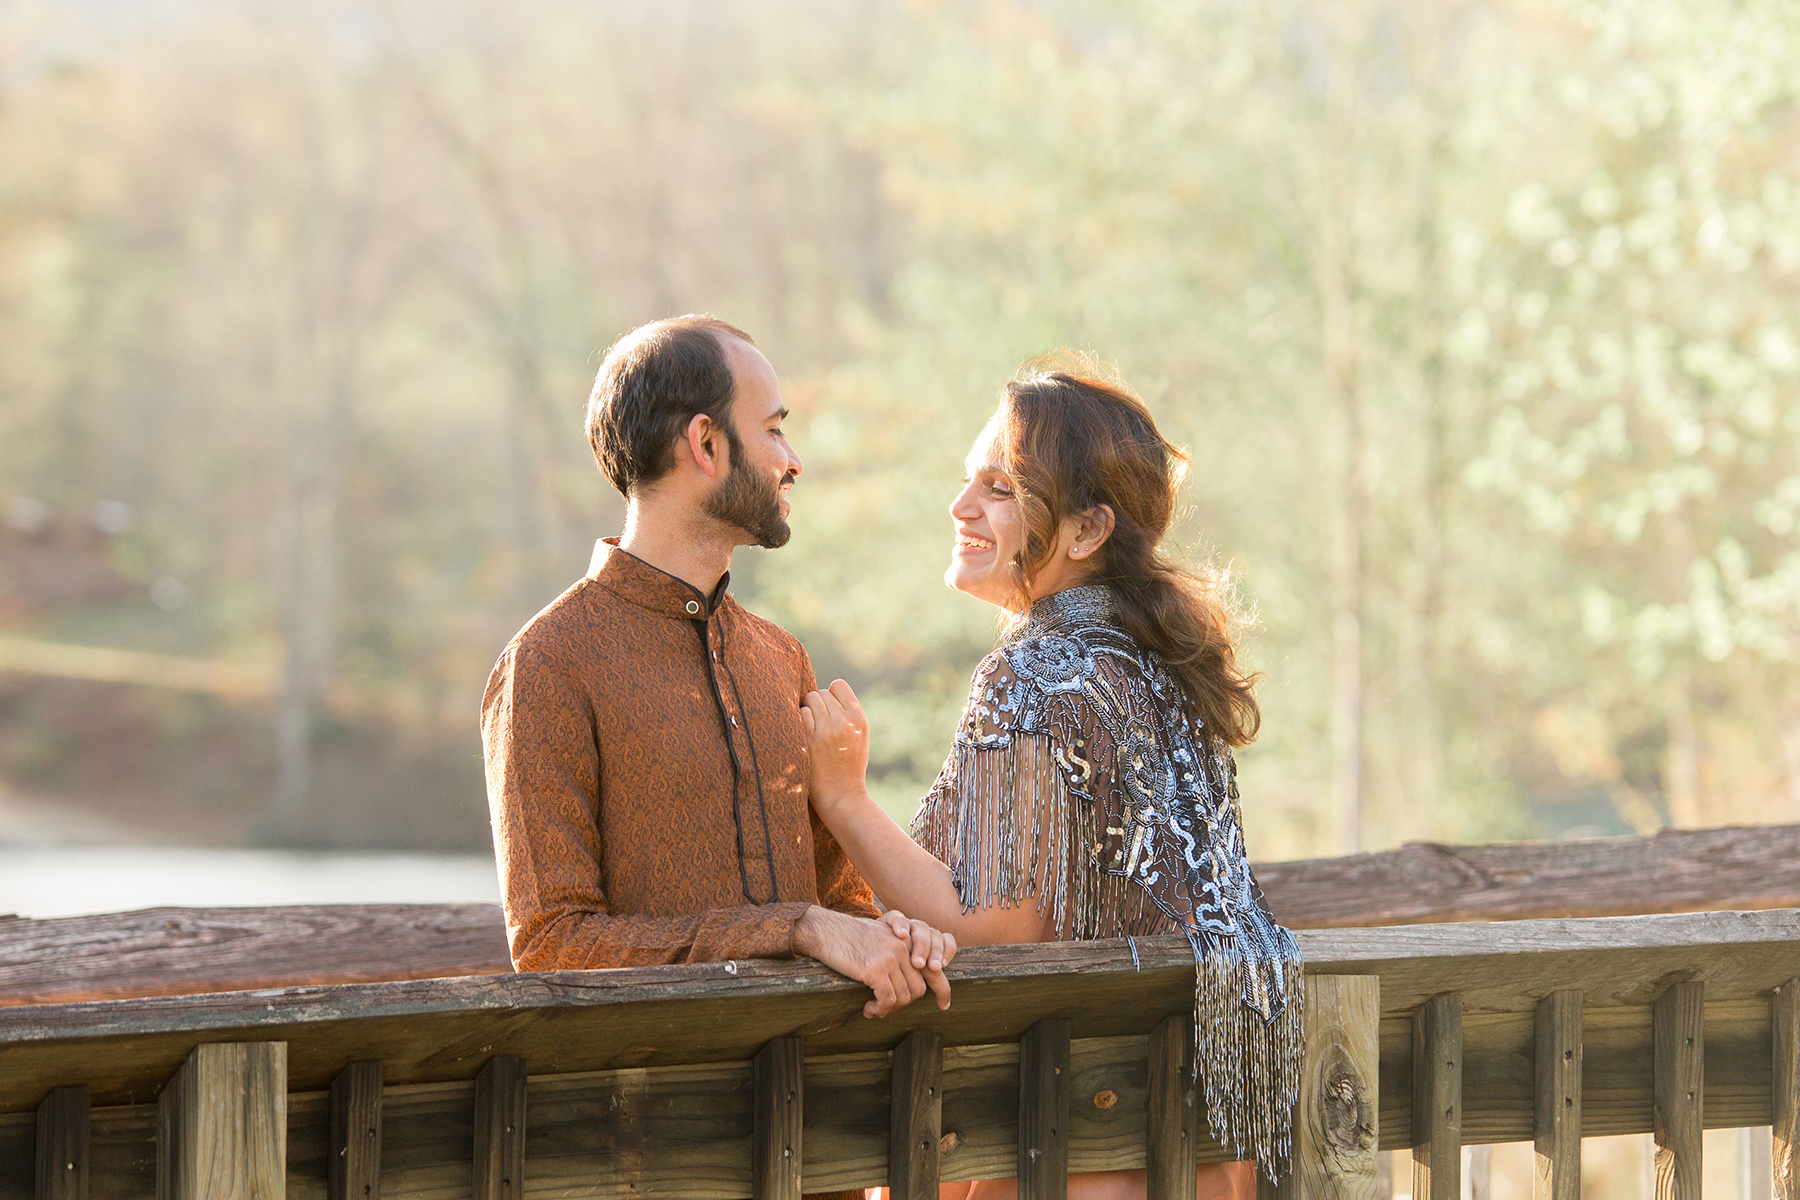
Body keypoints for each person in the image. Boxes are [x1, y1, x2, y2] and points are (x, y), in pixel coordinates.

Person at [803, 355, 1303, 1200]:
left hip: (1077, 1149)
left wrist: (842, 796)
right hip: (1207, 1150)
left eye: (998, 487)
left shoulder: (1034, 675)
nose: (960, 507)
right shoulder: (1161, 673)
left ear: (1084, 531)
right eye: (968, 481)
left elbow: (998, 928)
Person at [481, 315, 958, 1051]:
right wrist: (794, 930)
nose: (791, 460)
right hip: (649, 1143)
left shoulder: (782, 660)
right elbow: (554, 946)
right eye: (772, 431)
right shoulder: (546, 664)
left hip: (815, 1139)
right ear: (705, 444)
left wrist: (894, 937)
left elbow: (837, 910)